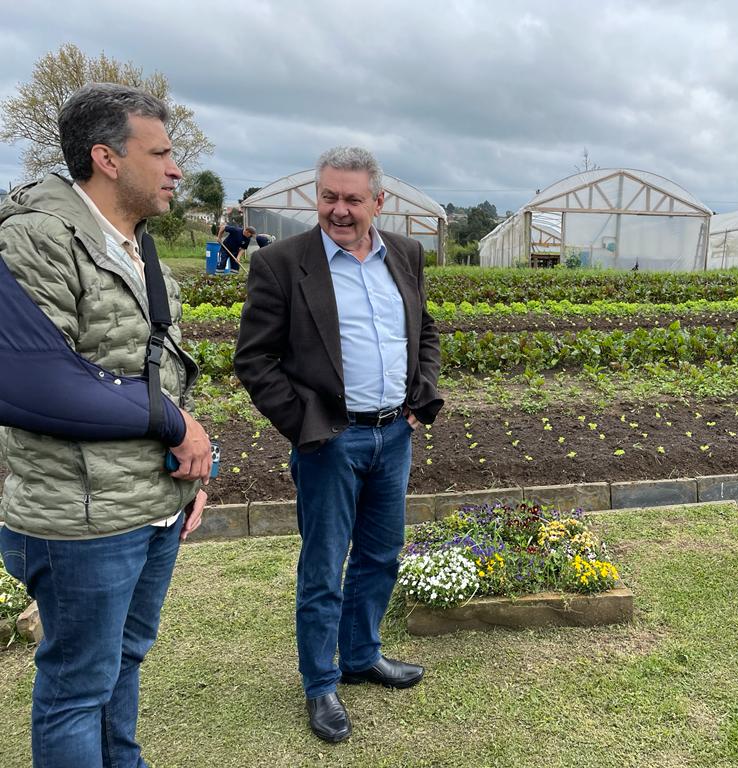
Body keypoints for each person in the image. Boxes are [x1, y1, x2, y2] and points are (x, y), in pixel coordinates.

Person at [0, 83, 213, 768]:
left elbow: (153, 372)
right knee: (76, 685)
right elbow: (34, 383)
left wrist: (188, 467)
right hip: (79, 518)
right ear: (107, 158)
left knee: (124, 658)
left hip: (149, 503)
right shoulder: (34, 237)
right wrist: (177, 425)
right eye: (162, 152)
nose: (176, 167)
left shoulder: (135, 245)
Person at [235, 146, 443, 743]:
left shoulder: (404, 253)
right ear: (316, 197)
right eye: (329, 196)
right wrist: (305, 423)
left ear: (378, 202)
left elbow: (422, 327)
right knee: (324, 568)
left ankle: (360, 655)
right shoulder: (282, 264)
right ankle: (320, 683)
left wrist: (419, 392)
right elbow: (255, 360)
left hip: (392, 434)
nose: (340, 210)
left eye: (353, 199)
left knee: (380, 555)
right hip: (330, 440)